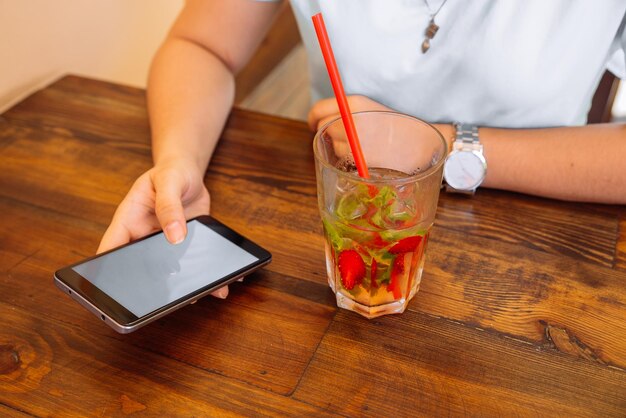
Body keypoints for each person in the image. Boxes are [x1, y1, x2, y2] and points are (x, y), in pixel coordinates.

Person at [98, 0, 626, 298]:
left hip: (538, 243)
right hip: (336, 218)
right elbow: (201, 45)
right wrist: (179, 159)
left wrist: (443, 147)